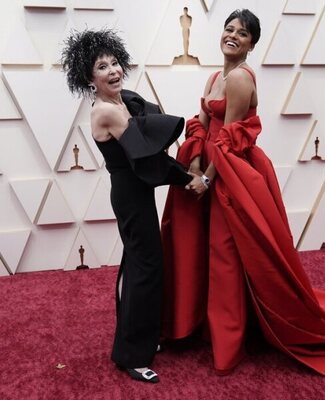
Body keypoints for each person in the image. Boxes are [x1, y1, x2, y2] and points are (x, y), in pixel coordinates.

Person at [161, 9, 325, 376]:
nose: (233, 36)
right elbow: (203, 125)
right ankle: (201, 324)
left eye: (242, 33)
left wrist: (206, 179)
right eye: (229, 29)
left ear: (251, 44)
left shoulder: (240, 79)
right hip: (209, 166)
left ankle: (229, 336)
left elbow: (227, 140)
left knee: (226, 252)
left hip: (230, 173)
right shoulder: (214, 76)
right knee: (203, 246)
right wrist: (191, 164)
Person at [61, 28, 192, 383]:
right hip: (131, 196)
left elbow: (150, 131)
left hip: (136, 193)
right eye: (102, 67)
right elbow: (148, 160)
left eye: (115, 62)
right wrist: (189, 178)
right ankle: (132, 356)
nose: (113, 70)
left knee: (141, 266)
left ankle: (142, 340)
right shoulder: (107, 111)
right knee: (146, 269)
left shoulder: (121, 102)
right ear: (90, 78)